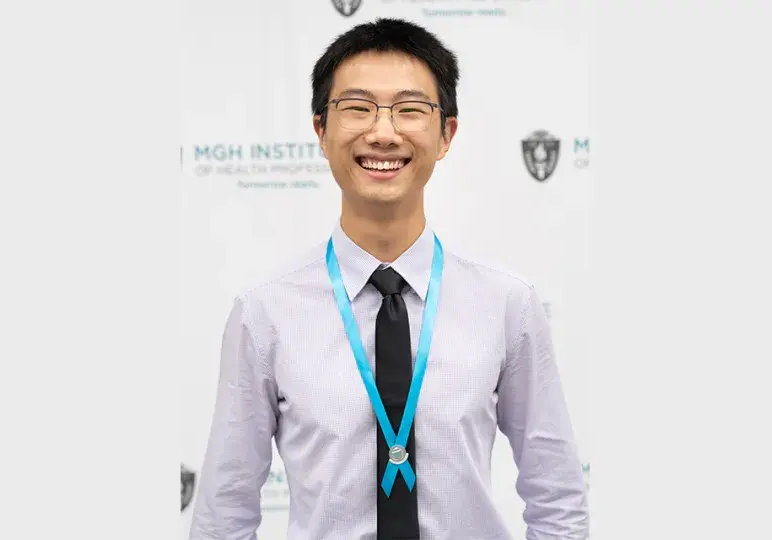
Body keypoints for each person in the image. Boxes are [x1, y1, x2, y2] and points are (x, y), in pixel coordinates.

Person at [189, 17, 589, 540]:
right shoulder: (266, 311)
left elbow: (556, 495)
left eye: (410, 109)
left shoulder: (507, 303)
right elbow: (225, 511)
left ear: (446, 134)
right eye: (357, 108)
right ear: (320, 131)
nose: (383, 132)